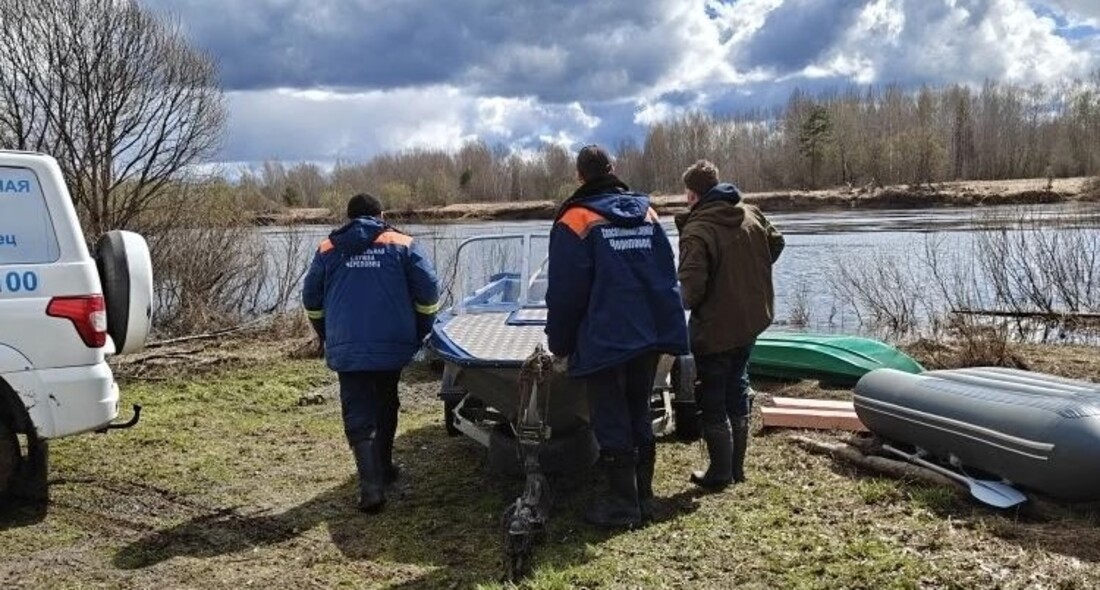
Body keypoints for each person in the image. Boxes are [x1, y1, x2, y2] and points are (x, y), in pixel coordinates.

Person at [545, 145, 689, 528]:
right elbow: (665, 274)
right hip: (647, 332)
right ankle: (643, 495)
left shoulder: (575, 219)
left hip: (604, 336)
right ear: (614, 169)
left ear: (580, 176)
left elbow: (564, 292)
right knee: (638, 408)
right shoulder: (648, 213)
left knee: (610, 416)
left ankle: (622, 504)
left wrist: (559, 344)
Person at [302, 193, 440, 513]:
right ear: (381, 213)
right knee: (387, 401)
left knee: (357, 412)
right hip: (392, 343)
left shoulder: (328, 249)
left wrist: (328, 335)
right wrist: (420, 329)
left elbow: (312, 299)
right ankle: (385, 468)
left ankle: (370, 487)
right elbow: (429, 292)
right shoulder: (403, 244)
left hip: (348, 346)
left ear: (349, 218)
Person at [675, 159, 784, 490]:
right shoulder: (751, 213)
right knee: (737, 384)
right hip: (751, 319)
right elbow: (776, 242)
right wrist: (748, 272)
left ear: (693, 194)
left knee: (712, 397)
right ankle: (736, 469)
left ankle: (720, 473)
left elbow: (690, 294)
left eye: (686, 194)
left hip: (717, 327)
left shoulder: (698, 230)